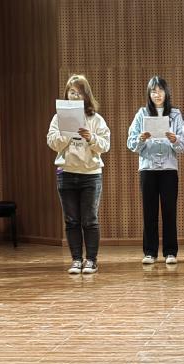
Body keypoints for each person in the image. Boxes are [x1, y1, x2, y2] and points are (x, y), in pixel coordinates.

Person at [47, 74, 110, 274]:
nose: (75, 96)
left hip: (90, 174)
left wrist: (91, 138)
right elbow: (52, 142)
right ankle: (76, 259)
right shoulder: (58, 118)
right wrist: (67, 134)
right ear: (66, 94)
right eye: (72, 92)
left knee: (90, 219)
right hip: (66, 173)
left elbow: (105, 145)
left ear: (86, 95)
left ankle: (91, 260)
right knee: (71, 220)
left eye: (79, 92)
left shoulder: (95, 119)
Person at [127, 76, 184, 265]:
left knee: (169, 211)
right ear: (149, 94)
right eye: (153, 91)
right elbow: (130, 143)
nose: (157, 94)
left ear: (166, 93)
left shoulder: (175, 114)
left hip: (169, 168)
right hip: (148, 168)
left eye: (160, 91)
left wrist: (175, 139)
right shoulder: (142, 113)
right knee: (149, 211)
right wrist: (141, 139)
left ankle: (170, 252)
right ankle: (150, 252)